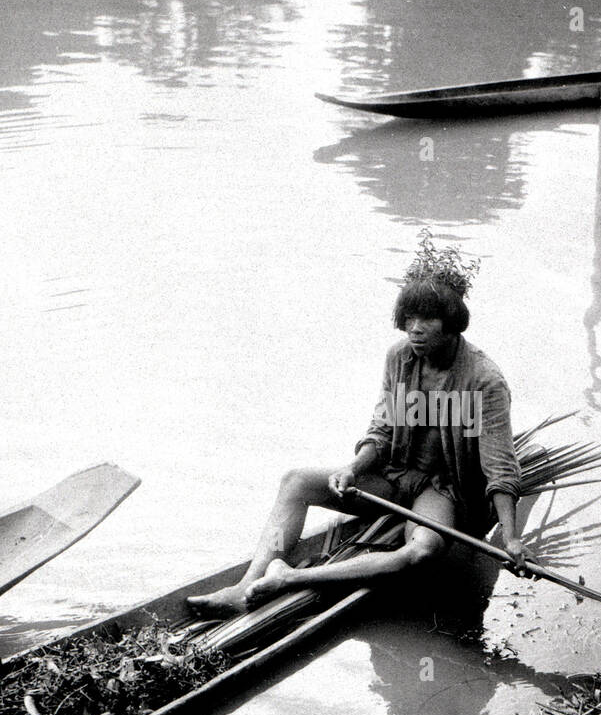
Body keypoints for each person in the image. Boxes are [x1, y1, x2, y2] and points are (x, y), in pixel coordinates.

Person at [186, 235, 527, 619]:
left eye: (427, 319)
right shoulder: (400, 357)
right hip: (392, 477)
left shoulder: (485, 381)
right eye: (409, 319)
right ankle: (247, 584)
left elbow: (500, 469)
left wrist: (512, 539)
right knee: (295, 481)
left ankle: (289, 579)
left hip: (439, 491)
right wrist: (353, 469)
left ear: (452, 323)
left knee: (421, 552)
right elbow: (381, 429)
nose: (414, 329)